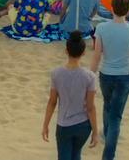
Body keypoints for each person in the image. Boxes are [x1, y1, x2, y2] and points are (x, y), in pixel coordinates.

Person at [90, 0, 129, 160]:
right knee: (116, 115)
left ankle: (107, 134)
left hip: (105, 74)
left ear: (112, 9)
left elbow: (96, 55)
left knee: (108, 106)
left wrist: (90, 75)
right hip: (124, 77)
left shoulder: (101, 28)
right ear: (128, 10)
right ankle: (109, 154)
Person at [42, 30, 99, 160]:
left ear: (66, 51)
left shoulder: (56, 73)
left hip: (64, 125)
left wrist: (45, 124)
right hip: (83, 125)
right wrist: (95, 131)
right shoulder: (90, 76)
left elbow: (52, 102)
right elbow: (90, 107)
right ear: (84, 52)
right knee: (76, 154)